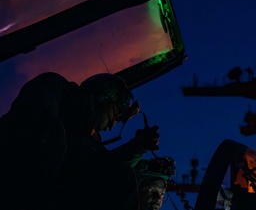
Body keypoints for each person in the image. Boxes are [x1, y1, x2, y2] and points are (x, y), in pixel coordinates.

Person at [0, 72, 161, 209]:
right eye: (116, 115)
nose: (112, 125)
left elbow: (105, 166)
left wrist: (137, 147)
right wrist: (54, 135)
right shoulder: (56, 89)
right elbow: (39, 110)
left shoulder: (90, 138)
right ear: (104, 95)